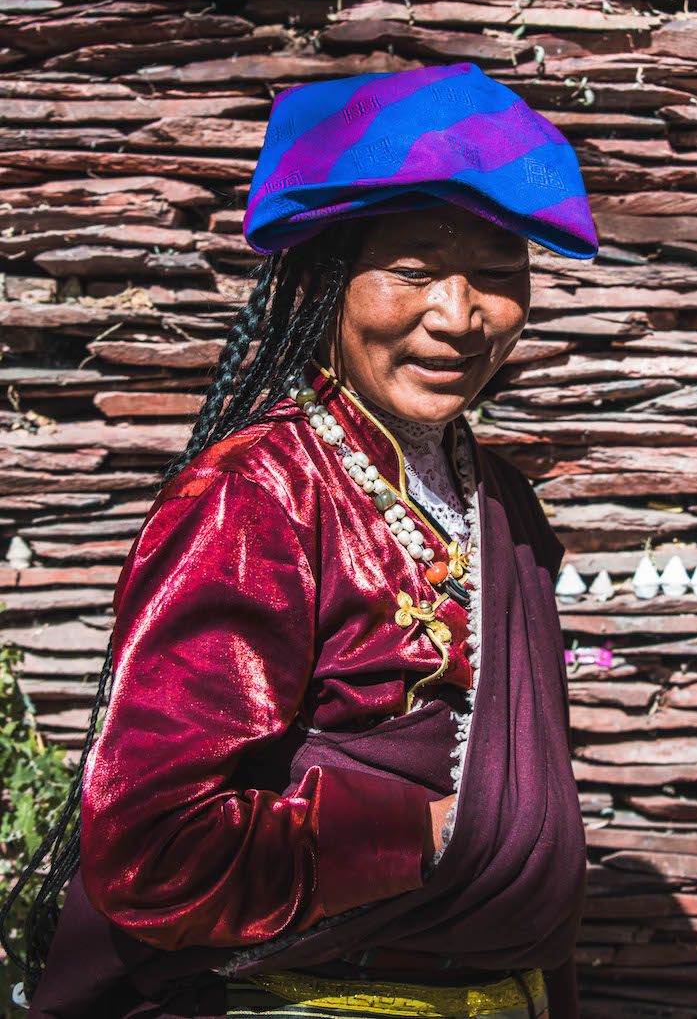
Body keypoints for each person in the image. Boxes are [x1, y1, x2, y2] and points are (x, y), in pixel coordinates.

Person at [2, 61, 598, 1019]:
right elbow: (157, 844)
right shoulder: (259, 497)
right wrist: (428, 837)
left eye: (497, 276)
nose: (459, 315)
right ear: (327, 280)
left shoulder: (501, 506)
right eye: (413, 270)